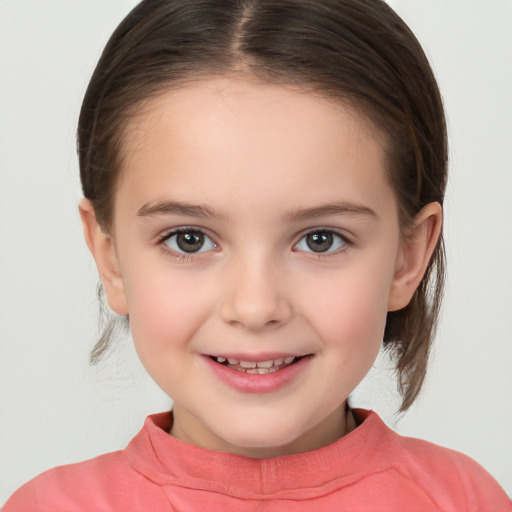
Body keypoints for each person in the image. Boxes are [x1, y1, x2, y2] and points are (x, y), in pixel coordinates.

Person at [4, 0, 511, 510]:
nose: (255, 306)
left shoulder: (464, 500)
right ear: (110, 258)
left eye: (320, 239)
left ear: (408, 256)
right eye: (189, 239)